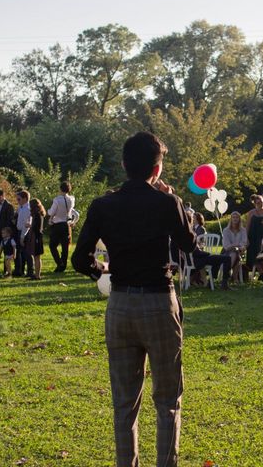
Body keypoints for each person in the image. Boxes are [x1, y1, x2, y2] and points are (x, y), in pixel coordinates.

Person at [71, 131, 197, 467]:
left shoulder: (102, 205)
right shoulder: (166, 202)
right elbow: (189, 244)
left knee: (124, 402)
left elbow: (79, 258)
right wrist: (176, 202)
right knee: (168, 399)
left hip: (121, 304)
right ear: (157, 169)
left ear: (124, 164)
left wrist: (103, 272)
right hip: (158, 301)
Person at [48, 181, 75, 272]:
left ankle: (59, 263)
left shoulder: (57, 200)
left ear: (60, 189)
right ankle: (63, 265)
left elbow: (52, 212)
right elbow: (71, 212)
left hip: (57, 224)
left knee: (52, 245)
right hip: (66, 224)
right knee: (65, 246)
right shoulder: (71, 199)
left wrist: (49, 212)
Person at [245, 195, 263, 269]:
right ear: (255, 203)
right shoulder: (251, 213)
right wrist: (246, 238)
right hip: (253, 236)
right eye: (258, 203)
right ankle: (253, 270)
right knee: (253, 254)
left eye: (262, 202)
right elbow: (247, 226)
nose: (261, 204)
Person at [221, 211, 248, 282]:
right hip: (226, 252)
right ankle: (234, 278)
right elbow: (226, 246)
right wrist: (237, 246)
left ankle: (228, 276)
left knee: (236, 253)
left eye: (237, 217)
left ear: (239, 219)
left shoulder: (243, 230)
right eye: (233, 217)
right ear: (231, 219)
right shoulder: (226, 230)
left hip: (240, 251)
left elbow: (244, 242)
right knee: (235, 254)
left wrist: (238, 247)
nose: (235, 219)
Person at [25, 198, 46, 280]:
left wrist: (29, 225)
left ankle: (37, 275)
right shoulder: (38, 214)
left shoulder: (37, 215)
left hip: (36, 236)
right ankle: (37, 274)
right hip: (36, 236)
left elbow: (37, 227)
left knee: (37, 256)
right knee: (36, 256)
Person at [14, 190, 33, 278]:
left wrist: (22, 236)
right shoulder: (21, 207)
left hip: (24, 232)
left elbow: (26, 225)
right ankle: (21, 270)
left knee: (27, 253)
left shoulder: (27, 209)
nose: (17, 201)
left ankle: (30, 271)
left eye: (19, 199)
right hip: (19, 231)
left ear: (25, 199)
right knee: (21, 252)